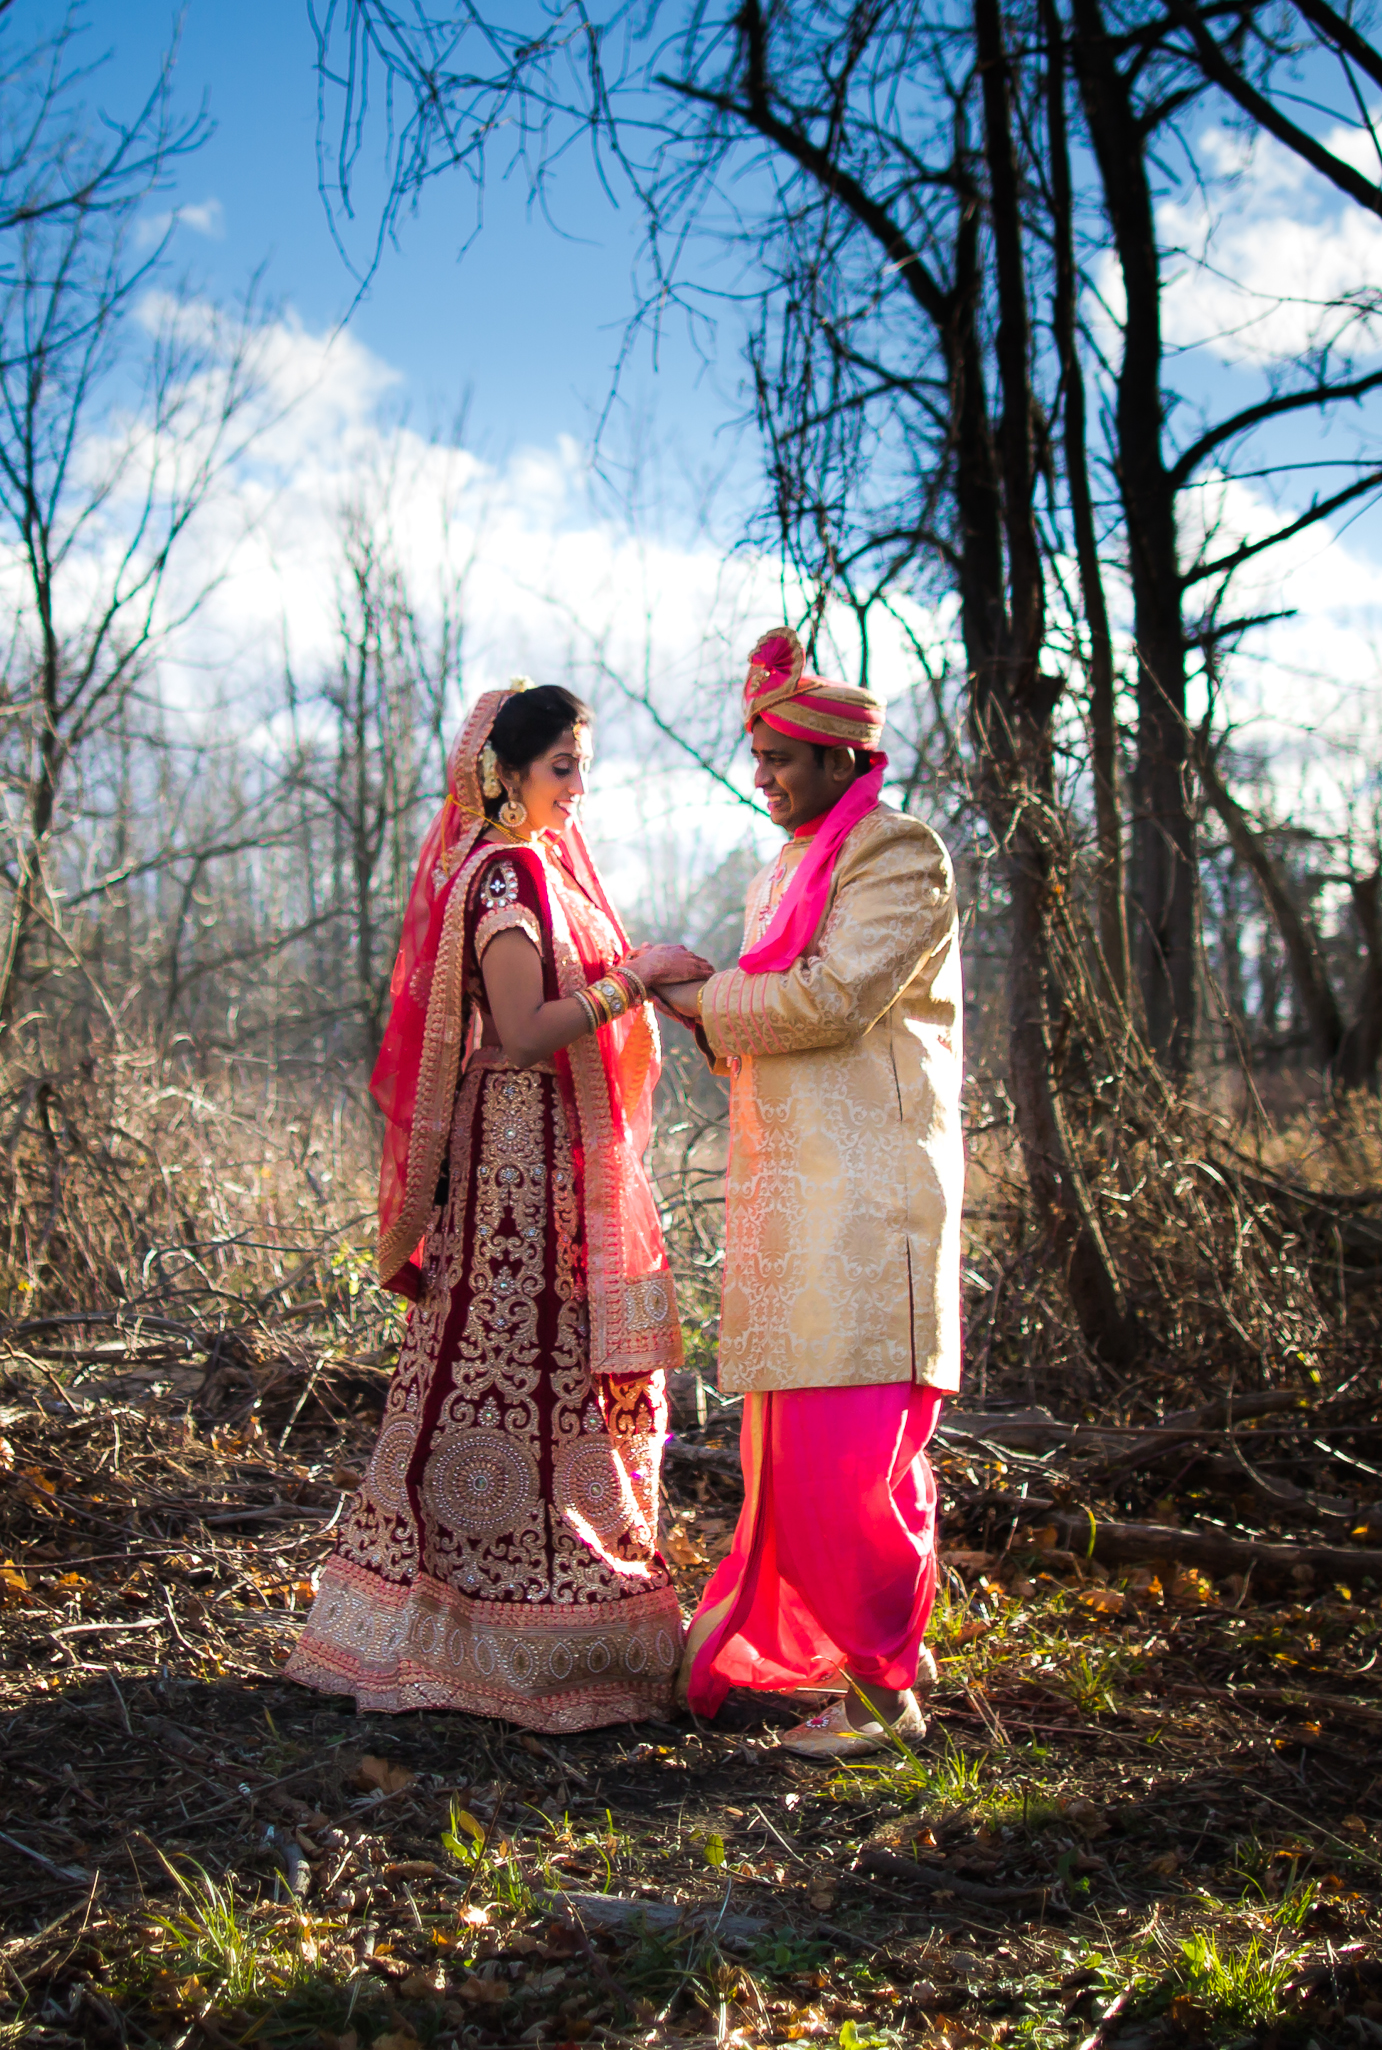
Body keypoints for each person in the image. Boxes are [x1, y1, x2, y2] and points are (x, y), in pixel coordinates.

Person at [287, 683, 715, 1732]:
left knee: (549, 1376)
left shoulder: (533, 869)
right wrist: (640, 976)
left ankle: (538, 1613)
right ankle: (490, 1626)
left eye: (580, 765)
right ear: (505, 773)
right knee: (512, 1377)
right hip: (518, 1172)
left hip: (547, 1168)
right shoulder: (507, 871)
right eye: (562, 766)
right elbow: (522, 1030)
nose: (579, 786)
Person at [659, 630, 963, 1752]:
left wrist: (701, 996)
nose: (764, 774)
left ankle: (885, 1694)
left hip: (870, 1201)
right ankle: (886, 1638)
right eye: (756, 753)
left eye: (784, 754)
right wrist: (706, 1005)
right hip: (790, 1201)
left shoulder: (896, 853)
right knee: (799, 1450)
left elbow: (831, 1001)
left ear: (847, 760)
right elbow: (758, 1030)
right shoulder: (781, 872)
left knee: (848, 1456)